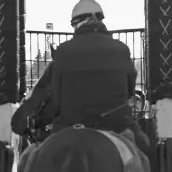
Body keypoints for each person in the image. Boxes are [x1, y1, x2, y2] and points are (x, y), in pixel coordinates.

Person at [50, 0, 149, 149]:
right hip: (118, 125)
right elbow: (129, 90)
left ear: (77, 23)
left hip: (69, 128)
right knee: (146, 150)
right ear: (100, 20)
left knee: (33, 159)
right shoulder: (121, 49)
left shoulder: (63, 52)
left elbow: (55, 99)